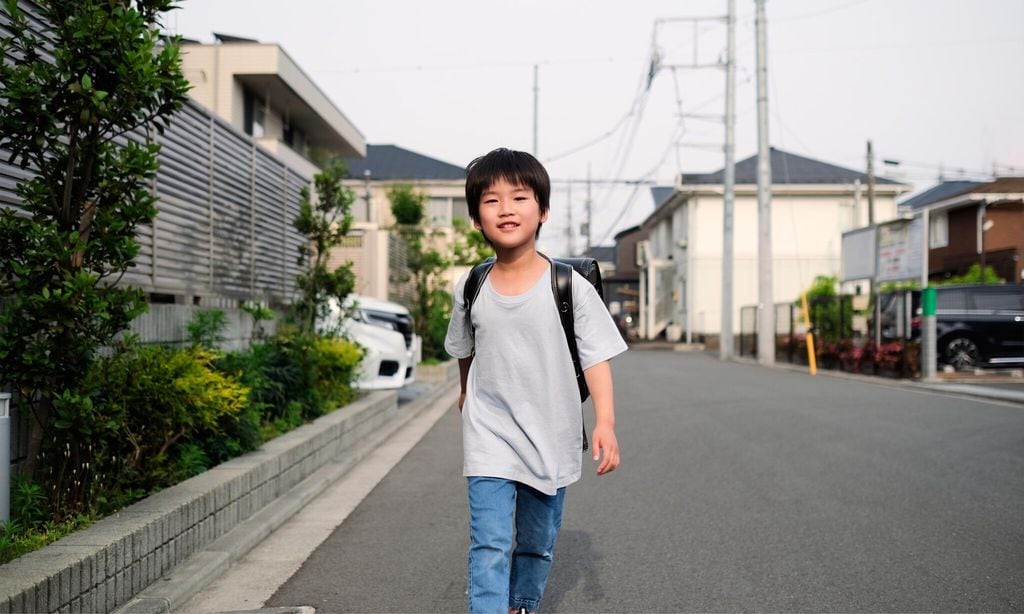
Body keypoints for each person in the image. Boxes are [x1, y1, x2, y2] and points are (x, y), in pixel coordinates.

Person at [445, 147, 628, 614]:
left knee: (537, 541)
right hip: (490, 434)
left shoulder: (569, 286)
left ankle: (521, 604)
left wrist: (604, 421)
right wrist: (467, 392)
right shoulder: (473, 287)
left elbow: (596, 359)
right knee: (488, 543)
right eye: (491, 200)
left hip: (551, 432)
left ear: (542, 211)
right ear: (476, 219)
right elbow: (465, 349)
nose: (506, 209)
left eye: (520, 197)